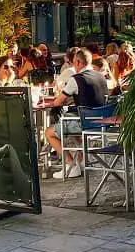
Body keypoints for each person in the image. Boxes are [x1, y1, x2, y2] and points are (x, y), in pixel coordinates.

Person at [45, 48, 108, 179]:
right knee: (71, 124)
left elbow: (57, 102)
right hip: (102, 123)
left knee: (49, 132)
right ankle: (80, 161)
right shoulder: (100, 76)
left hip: (87, 123)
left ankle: (71, 166)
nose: (73, 66)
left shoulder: (77, 79)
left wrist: (53, 101)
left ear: (79, 62)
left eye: (74, 62)